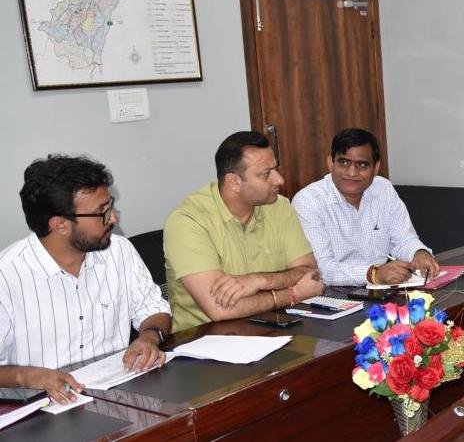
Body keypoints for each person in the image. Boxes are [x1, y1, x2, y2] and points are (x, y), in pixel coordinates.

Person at [0, 155, 171, 404]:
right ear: (60, 225)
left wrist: (148, 337)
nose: (114, 218)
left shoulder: (119, 250)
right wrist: (26, 376)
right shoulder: (7, 276)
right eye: (102, 212)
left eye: (110, 206)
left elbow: (154, 309)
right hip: (42, 406)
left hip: (119, 393)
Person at [164, 131, 324, 331]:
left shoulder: (279, 206)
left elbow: (309, 273)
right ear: (234, 182)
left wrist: (259, 281)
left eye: (275, 169)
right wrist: (292, 294)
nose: (279, 180)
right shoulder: (187, 221)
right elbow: (220, 309)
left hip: (275, 326)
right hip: (207, 338)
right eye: (266, 174)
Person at [292, 128, 438, 286]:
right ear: (330, 163)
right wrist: (373, 274)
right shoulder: (309, 201)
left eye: (362, 165)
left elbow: (404, 239)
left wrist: (419, 253)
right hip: (332, 291)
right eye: (344, 162)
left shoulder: (383, 189)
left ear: (376, 168)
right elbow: (321, 268)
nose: (352, 172)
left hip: (382, 287)